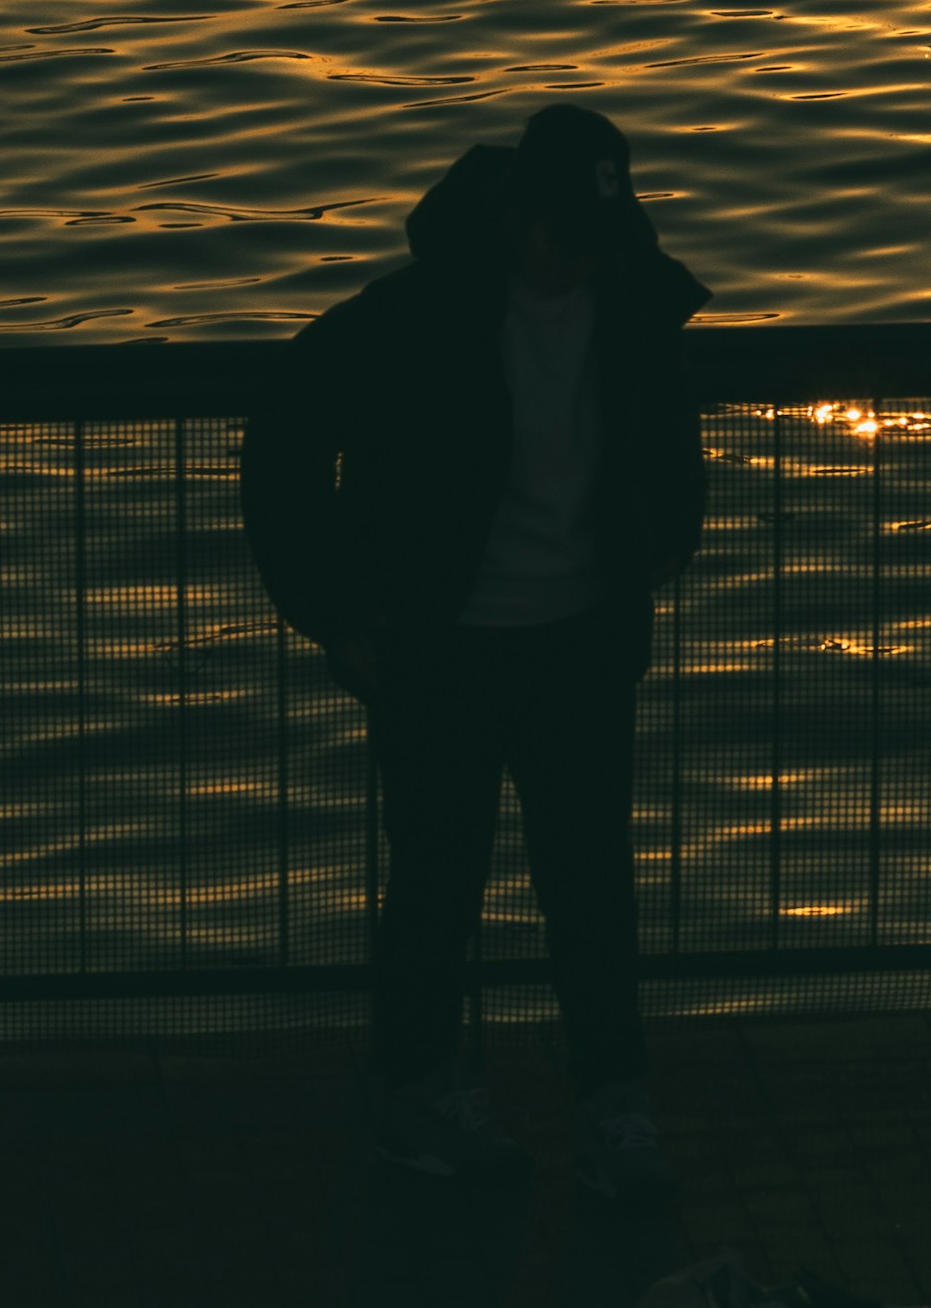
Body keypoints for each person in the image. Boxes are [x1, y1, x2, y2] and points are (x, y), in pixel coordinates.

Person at [242, 102, 708, 1185]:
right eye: (565, 239)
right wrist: (334, 610)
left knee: (580, 880)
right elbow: (288, 444)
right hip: (448, 644)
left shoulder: (616, 300)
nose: (580, 263)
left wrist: (665, 538)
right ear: (514, 220)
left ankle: (591, 1096)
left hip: (577, 635)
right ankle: (435, 1087)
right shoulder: (417, 316)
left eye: (597, 241)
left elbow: (665, 442)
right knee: (445, 883)